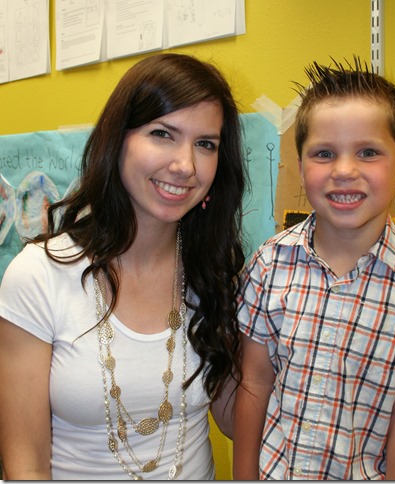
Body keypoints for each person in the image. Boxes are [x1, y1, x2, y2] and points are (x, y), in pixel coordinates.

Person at [0, 53, 246, 480]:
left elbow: (233, 419)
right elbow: (25, 462)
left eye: (205, 144)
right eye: (162, 134)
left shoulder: (212, 271)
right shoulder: (39, 275)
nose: (185, 165)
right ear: (117, 142)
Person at [233, 57, 395, 480]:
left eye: (368, 152)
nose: (344, 171)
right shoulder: (269, 264)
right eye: (324, 154)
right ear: (301, 168)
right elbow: (254, 384)